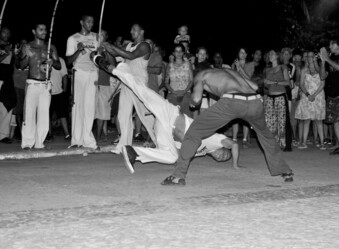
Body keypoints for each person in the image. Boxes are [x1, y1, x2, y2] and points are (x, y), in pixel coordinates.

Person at [92, 56, 240, 173]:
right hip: (171, 115)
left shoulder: (201, 152)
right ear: (222, 148)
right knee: (143, 92)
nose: (222, 157)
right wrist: (235, 164)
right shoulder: (216, 140)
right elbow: (234, 145)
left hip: (166, 129)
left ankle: (133, 152)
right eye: (225, 154)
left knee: (172, 157)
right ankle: (115, 68)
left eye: (222, 160)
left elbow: (180, 147)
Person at [157, 68, 293, 185]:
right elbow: (256, 87)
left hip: (232, 101)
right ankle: (285, 170)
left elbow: (197, 100)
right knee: (266, 135)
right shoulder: (230, 72)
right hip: (255, 101)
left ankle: (177, 176)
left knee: (194, 133)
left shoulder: (201, 75)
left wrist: (193, 102)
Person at [101, 23, 157, 153]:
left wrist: (111, 46)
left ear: (142, 31)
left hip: (139, 83)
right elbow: (115, 58)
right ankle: (124, 145)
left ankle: (157, 139)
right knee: (123, 114)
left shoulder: (144, 45)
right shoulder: (128, 46)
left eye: (134, 29)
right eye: (131, 29)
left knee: (145, 114)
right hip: (127, 83)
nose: (131, 31)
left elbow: (130, 56)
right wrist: (106, 49)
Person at [15, 22, 61, 149]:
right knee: (29, 114)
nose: (44, 32)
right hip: (32, 84)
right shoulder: (28, 46)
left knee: (44, 115)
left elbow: (59, 66)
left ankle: (40, 142)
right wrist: (26, 56)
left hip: (46, 85)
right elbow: (21, 65)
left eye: (45, 29)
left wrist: (53, 60)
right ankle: (27, 143)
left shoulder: (51, 47)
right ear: (34, 31)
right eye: (41, 29)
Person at [66, 14, 99, 150]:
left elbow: (98, 56)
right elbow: (68, 61)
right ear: (82, 22)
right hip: (79, 73)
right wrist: (78, 50)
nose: (91, 24)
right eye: (88, 21)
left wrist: (100, 52)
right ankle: (76, 140)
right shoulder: (73, 39)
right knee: (78, 106)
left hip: (93, 73)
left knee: (90, 108)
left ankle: (88, 140)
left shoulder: (96, 37)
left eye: (92, 22)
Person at [294, 50, 326, 149]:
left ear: (315, 57)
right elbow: (301, 84)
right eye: (308, 56)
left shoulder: (320, 69)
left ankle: (322, 143)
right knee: (306, 119)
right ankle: (303, 142)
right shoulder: (304, 70)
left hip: (318, 96)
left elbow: (322, 83)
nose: (310, 58)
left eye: (312, 56)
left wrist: (314, 95)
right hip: (307, 96)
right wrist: (308, 95)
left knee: (319, 120)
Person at [94, 30, 115, 143]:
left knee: (102, 113)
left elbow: (112, 65)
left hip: (104, 84)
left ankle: (98, 137)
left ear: (106, 37)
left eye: (102, 35)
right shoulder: (93, 47)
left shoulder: (107, 50)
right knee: (94, 112)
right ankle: (94, 135)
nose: (100, 36)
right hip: (92, 84)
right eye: (99, 34)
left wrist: (106, 52)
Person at [163, 43, 194, 118]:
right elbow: (166, 82)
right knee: (172, 119)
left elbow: (191, 81)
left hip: (186, 94)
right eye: (176, 51)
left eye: (180, 51)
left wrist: (184, 91)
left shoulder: (188, 64)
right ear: (173, 53)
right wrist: (174, 91)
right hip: (172, 95)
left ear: (183, 53)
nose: (179, 53)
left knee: (187, 119)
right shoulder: (169, 65)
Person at [0, 27, 16, 144]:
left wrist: (15, 53)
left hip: (8, 79)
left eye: (8, 32)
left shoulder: (11, 46)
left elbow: (14, 63)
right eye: (4, 32)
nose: (6, 34)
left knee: (8, 105)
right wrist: (6, 52)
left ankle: (3, 135)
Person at [49, 57, 70, 140]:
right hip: (47, 91)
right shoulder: (43, 57)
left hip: (59, 91)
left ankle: (67, 134)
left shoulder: (60, 60)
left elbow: (65, 75)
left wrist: (64, 91)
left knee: (62, 114)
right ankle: (49, 134)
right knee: (47, 115)